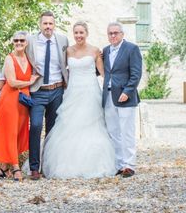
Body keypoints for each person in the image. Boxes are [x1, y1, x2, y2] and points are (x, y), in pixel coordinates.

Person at [41, 21, 115, 179]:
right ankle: (66, 163)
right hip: (73, 92)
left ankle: (94, 162)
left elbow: (103, 73)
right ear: (73, 34)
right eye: (76, 33)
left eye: (81, 32)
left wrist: (116, 87)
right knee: (70, 125)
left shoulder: (95, 51)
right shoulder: (67, 51)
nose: (79, 36)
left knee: (91, 125)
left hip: (90, 91)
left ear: (86, 33)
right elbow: (59, 68)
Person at [0, 31, 39, 181]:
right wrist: (30, 82)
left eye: (22, 40)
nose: (19, 43)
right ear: (13, 42)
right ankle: (16, 168)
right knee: (11, 132)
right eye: (16, 40)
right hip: (10, 98)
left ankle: (2, 167)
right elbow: (12, 82)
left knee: (19, 132)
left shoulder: (29, 59)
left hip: (23, 100)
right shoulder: (9, 58)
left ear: (27, 43)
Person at [26, 11, 69, 180]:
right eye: (45, 24)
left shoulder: (63, 40)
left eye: (51, 23)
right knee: (36, 126)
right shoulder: (30, 41)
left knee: (52, 130)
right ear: (40, 25)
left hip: (57, 90)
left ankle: (48, 166)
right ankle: (34, 167)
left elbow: (68, 62)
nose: (48, 27)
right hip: (38, 91)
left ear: (54, 25)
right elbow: (19, 56)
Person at [102, 21, 143, 178]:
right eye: (110, 33)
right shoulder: (105, 51)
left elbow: (136, 73)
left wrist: (127, 91)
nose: (112, 36)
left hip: (125, 96)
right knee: (113, 131)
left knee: (127, 131)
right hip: (108, 96)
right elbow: (102, 71)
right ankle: (119, 164)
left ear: (122, 34)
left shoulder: (132, 49)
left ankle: (130, 165)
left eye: (115, 33)